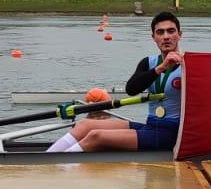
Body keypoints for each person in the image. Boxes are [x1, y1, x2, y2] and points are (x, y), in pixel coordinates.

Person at [47, 11, 184, 153]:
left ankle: (56, 164)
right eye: (160, 32)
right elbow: (131, 89)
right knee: (84, 125)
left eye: (171, 31)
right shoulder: (148, 63)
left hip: (172, 133)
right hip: (151, 126)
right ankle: (47, 158)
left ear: (180, 34)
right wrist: (160, 68)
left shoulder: (188, 65)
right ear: (153, 37)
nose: (166, 36)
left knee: (96, 136)